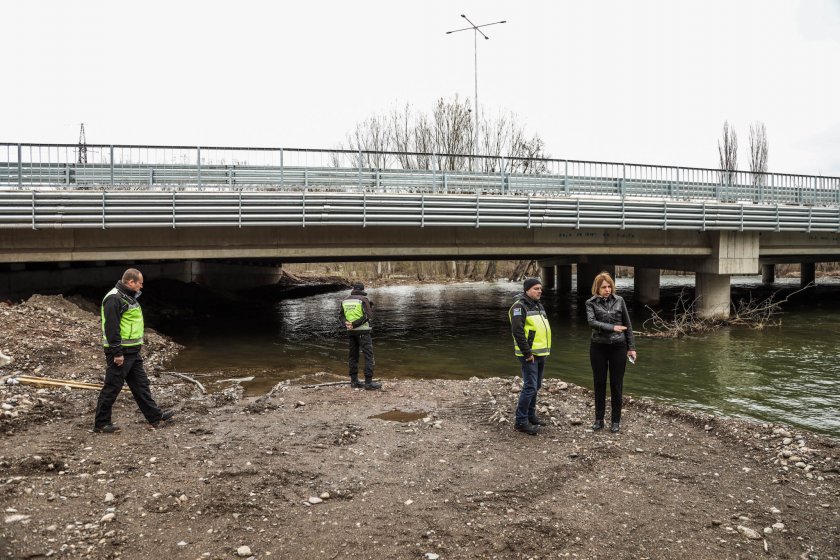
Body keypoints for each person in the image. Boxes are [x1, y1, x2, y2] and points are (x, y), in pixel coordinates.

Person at [93, 268, 174, 433]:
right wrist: (117, 353)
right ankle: (101, 424)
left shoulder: (127, 297)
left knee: (141, 385)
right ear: (131, 282)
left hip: (132, 351)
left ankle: (155, 417)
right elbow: (111, 328)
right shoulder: (114, 298)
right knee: (112, 387)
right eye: (140, 283)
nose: (141, 286)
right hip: (121, 352)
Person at [585, 271, 637, 434]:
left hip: (618, 347)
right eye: (603, 287)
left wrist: (632, 348)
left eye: (609, 287)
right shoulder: (590, 303)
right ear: (597, 289)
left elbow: (627, 324)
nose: (607, 290)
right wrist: (612, 327)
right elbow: (592, 322)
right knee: (599, 383)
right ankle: (599, 420)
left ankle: (615, 421)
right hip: (598, 347)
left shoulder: (619, 300)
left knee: (616, 384)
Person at [509, 277, 552, 435]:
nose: (539, 291)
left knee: (536, 386)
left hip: (540, 353)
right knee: (530, 387)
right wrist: (527, 353)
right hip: (530, 355)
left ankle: (530, 415)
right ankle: (520, 422)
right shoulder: (519, 307)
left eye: (540, 288)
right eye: (536, 288)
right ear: (527, 290)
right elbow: (517, 331)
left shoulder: (538, 305)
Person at [339, 282, 382, 390]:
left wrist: (347, 324)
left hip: (351, 332)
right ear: (362, 290)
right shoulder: (363, 299)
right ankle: (368, 383)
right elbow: (368, 315)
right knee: (368, 356)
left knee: (353, 356)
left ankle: (354, 381)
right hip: (363, 332)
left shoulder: (345, 300)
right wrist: (355, 324)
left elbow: (341, 316)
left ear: (353, 289)